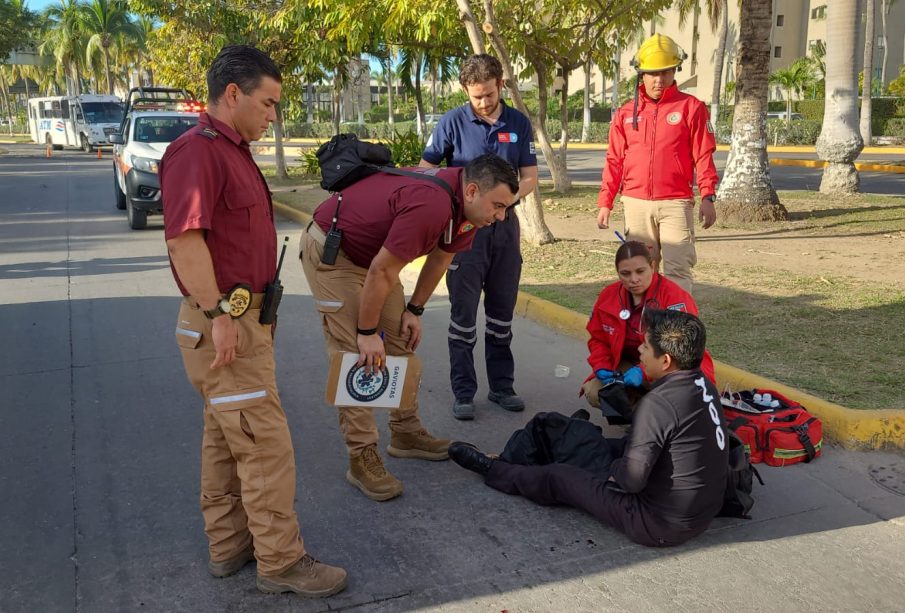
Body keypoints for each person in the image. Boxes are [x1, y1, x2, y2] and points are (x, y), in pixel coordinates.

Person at [160, 45, 347, 598]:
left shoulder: (231, 150)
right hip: (224, 323)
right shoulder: (199, 151)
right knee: (264, 446)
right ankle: (281, 561)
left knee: (226, 440)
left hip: (241, 322)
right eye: (268, 103)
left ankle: (230, 546)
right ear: (234, 93)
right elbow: (184, 240)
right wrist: (220, 313)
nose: (273, 115)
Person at [300, 154, 519, 502]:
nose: (501, 216)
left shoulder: (468, 209)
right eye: (498, 206)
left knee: (402, 341)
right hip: (334, 254)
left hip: (372, 259)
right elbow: (382, 272)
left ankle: (405, 431)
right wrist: (368, 333)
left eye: (507, 208)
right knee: (356, 357)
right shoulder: (432, 205)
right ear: (474, 190)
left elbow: (442, 257)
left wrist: (414, 309)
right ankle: (361, 457)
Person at [449, 309, 729, 547]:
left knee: (560, 476)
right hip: (696, 513)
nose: (640, 352)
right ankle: (552, 447)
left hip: (655, 523)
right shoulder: (703, 385)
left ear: (666, 360)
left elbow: (630, 481)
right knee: (587, 442)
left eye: (644, 346)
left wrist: (605, 471)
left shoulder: (658, 403)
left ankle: (493, 469)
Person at [420, 54, 539, 421]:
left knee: (501, 313)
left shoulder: (518, 122)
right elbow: (427, 171)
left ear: (500, 85)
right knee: (463, 315)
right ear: (465, 92)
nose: (484, 102)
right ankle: (464, 391)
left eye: (489, 94)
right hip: (465, 230)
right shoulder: (452, 123)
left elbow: (530, 176)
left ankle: (503, 387)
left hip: (504, 229)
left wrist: (502, 203)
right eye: (476, 97)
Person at [596, 34, 719, 293]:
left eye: (666, 72)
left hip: (675, 203)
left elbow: (703, 154)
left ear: (675, 71)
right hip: (635, 203)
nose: (659, 79)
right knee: (639, 272)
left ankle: (675, 329)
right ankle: (644, 326)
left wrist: (708, 195)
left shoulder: (692, 108)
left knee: (677, 271)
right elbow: (614, 160)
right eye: (652, 73)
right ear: (642, 74)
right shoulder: (626, 113)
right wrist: (605, 202)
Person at [581, 240, 715, 411]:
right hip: (630, 364)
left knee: (681, 399)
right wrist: (601, 365)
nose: (633, 279)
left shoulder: (674, 298)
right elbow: (598, 339)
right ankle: (645, 415)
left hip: (671, 366)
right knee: (595, 392)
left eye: (640, 271)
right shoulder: (609, 296)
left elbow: (682, 350)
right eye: (625, 273)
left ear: (653, 266)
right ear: (617, 273)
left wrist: (643, 371)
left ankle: (662, 415)